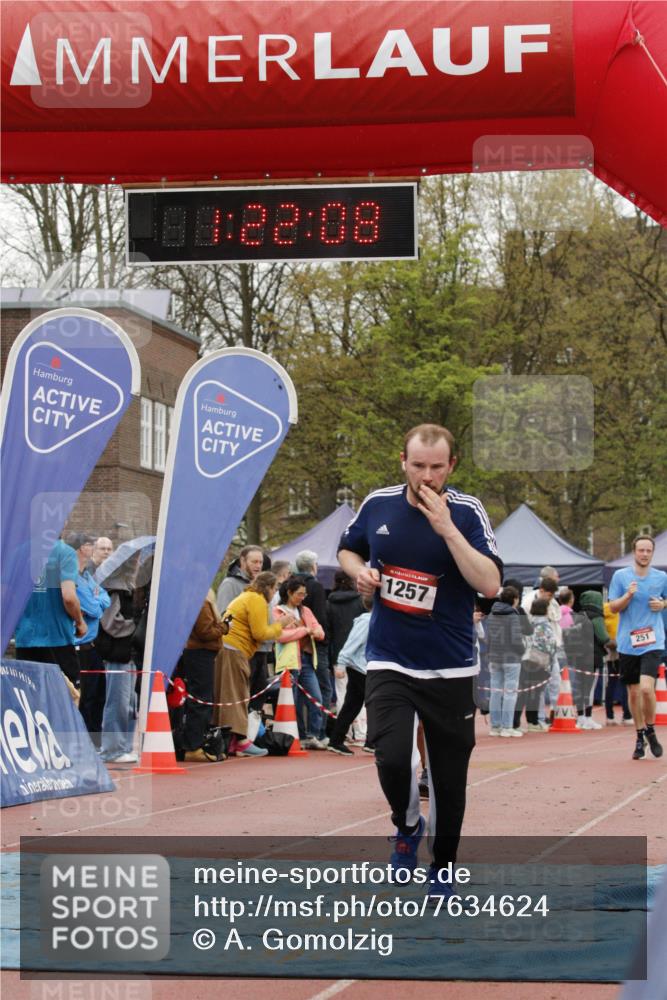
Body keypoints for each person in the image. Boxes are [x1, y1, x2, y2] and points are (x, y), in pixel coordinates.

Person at [338, 423, 502, 899]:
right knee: (391, 757)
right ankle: (408, 826)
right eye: (417, 466)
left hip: (450, 665)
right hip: (390, 658)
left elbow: (490, 584)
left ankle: (443, 866)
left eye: (436, 467)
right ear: (403, 462)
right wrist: (360, 573)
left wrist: (447, 529)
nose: (426, 477)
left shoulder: (468, 513)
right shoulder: (378, 504)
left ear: (451, 466)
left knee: (449, 780)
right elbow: (349, 549)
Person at [218, 571, 296, 756]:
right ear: (268, 587)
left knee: (234, 696)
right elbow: (260, 634)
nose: (276, 592)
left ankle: (232, 740)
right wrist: (281, 624)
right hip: (234, 650)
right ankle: (242, 742)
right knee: (238, 696)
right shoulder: (256, 600)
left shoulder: (246, 596)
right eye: (275, 588)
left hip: (230, 648)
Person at [608, 535, 667, 760]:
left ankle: (650, 728)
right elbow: (613, 607)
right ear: (634, 552)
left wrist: (662, 604)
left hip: (653, 641)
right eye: (641, 550)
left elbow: (666, 599)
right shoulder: (621, 576)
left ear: (652, 553)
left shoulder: (661, 577)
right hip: (627, 642)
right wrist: (628, 595)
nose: (644, 554)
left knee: (645, 688)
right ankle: (640, 735)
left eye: (648, 551)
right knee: (633, 692)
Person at [15, 536, 87, 684]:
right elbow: (68, 597)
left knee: (30, 702)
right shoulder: (65, 552)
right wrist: (80, 622)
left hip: (26, 640)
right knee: (65, 700)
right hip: (58, 639)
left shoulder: (18, 553)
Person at [273, 576, 327, 749]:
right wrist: (304, 630)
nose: (302, 597)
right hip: (289, 662)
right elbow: (280, 637)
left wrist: (315, 631)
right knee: (292, 700)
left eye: (304, 594)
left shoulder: (306, 611)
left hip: (307, 659)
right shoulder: (277, 612)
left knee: (316, 697)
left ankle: (313, 734)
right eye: (299, 594)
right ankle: (297, 736)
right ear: (289, 593)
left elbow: (319, 631)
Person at [97, 556, 142, 764]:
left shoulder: (128, 588)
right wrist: (135, 627)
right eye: (133, 560)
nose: (136, 564)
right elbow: (110, 622)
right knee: (118, 701)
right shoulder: (116, 588)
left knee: (129, 703)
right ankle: (113, 748)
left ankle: (123, 746)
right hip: (118, 653)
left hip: (128, 654)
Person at [178, 590, 229, 762]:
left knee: (201, 699)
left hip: (197, 653)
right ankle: (193, 746)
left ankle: (194, 743)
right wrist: (224, 626)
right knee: (201, 700)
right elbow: (206, 632)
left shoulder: (192, 600)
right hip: (200, 653)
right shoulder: (200, 603)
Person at [70, 532, 111, 744]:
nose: (94, 549)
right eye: (91, 545)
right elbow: (92, 607)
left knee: (98, 697)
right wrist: (95, 602)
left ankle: (96, 741)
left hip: (93, 647)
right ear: (81, 548)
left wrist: (96, 602)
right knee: (84, 698)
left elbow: (104, 599)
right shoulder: (73, 577)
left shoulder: (87, 576)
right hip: (79, 648)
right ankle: (84, 742)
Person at [327, 595, 374, 756]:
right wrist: (341, 663)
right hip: (361, 668)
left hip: (361, 667)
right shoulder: (367, 621)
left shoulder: (369, 620)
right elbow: (352, 643)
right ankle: (372, 741)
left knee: (352, 705)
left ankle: (336, 740)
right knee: (373, 703)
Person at [294, 550, 333, 713]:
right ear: (312, 567)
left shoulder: (290, 584)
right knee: (324, 689)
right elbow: (321, 616)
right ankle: (319, 731)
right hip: (315, 643)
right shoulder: (315, 586)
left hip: (295, 643)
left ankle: (302, 731)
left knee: (299, 690)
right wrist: (324, 639)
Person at [486, 585, 525, 737]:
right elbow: (516, 638)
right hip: (511, 658)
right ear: (514, 599)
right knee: (510, 693)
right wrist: (522, 651)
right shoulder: (513, 615)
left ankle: (495, 726)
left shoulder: (492, 614)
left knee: (495, 692)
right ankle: (507, 726)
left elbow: (489, 637)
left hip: (494, 657)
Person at [603, 600, 632, 725]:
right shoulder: (622, 611)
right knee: (626, 684)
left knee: (611, 684)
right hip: (623, 649)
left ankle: (609, 716)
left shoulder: (604, 611)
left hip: (609, 651)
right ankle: (627, 715)